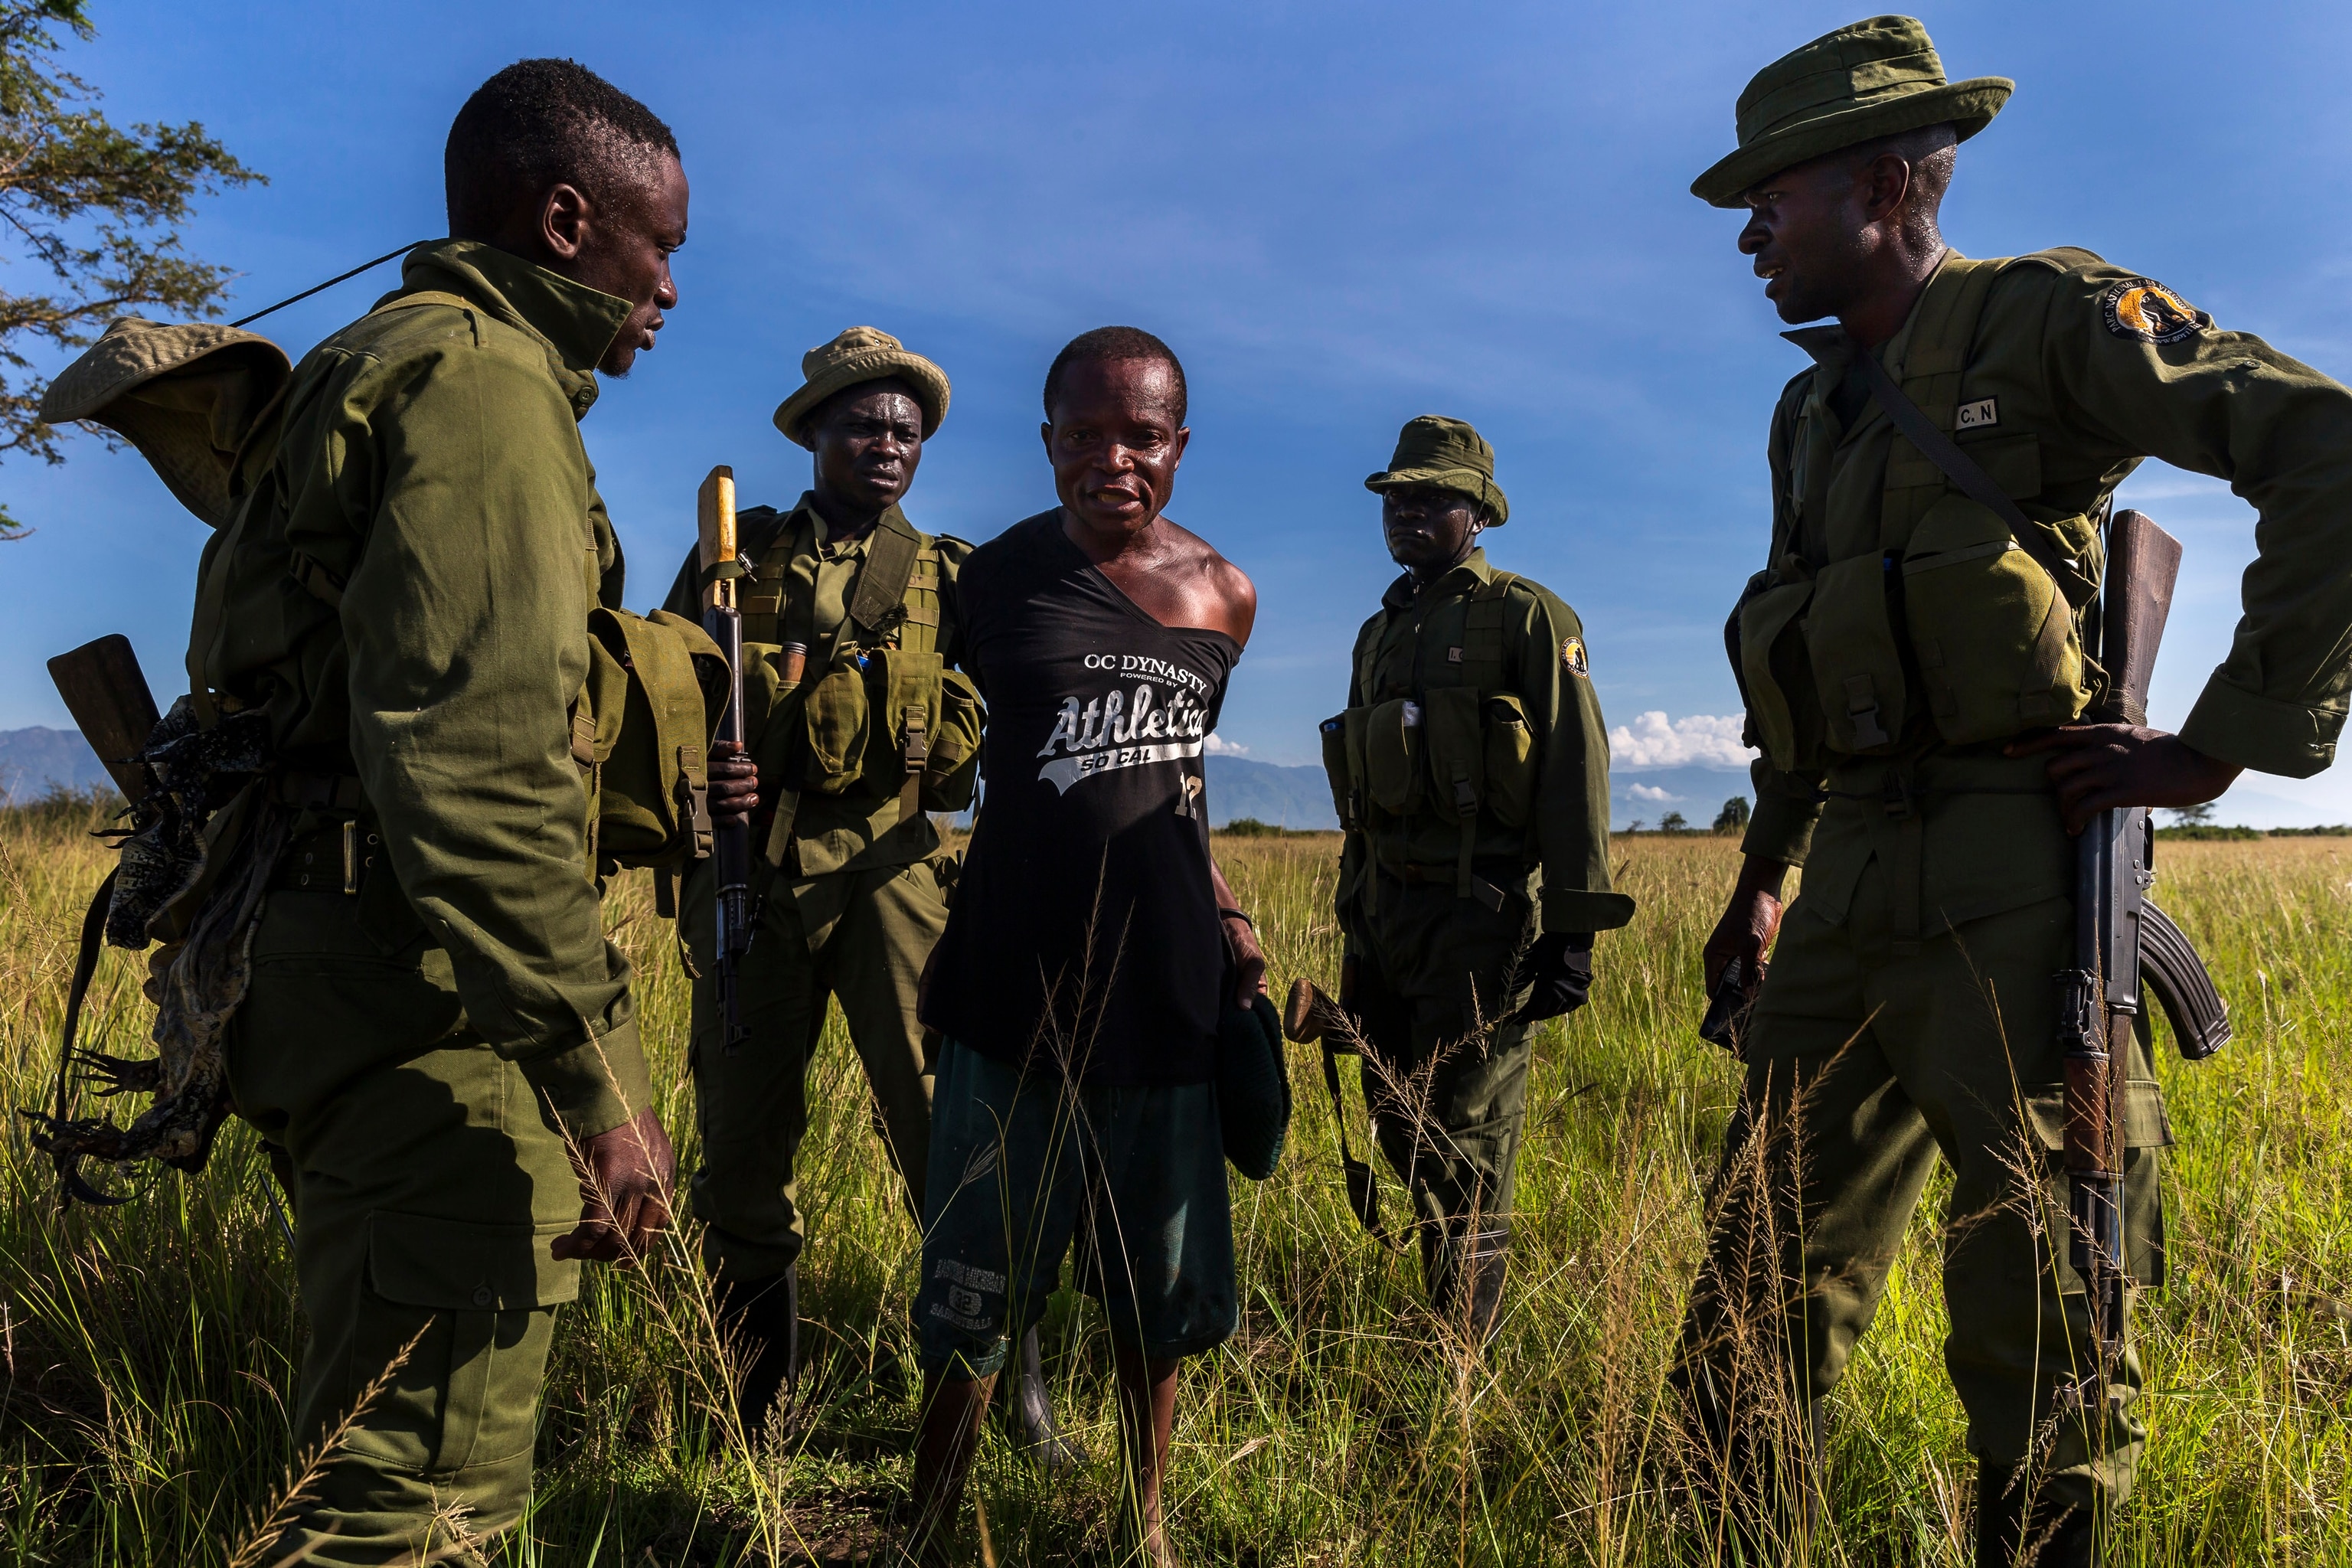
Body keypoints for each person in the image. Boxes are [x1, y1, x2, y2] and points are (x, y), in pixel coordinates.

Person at [1677, 16, 2352, 1563]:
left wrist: (2217, 744)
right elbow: (1815, 658)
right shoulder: (1810, 409)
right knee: (1749, 1303)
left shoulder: (2044, 317)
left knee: (2044, 1317)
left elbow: (2325, 446)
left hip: (2016, 879)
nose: (1751, 229)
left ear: (1885, 182)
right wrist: (1761, 875)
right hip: (1843, 879)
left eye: (1774, 190)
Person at [203, 60, 707, 1565]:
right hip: (428, 1013)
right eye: (657, 242)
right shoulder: (481, 386)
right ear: (565, 220)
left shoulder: (379, 358)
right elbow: (479, 772)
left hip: (336, 980)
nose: (670, 285)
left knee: (379, 1457)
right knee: (411, 1516)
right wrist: (600, 1080)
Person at [655, 328, 1073, 1459]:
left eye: (907, 429)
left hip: (897, 875)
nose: (888, 444)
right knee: (741, 1152)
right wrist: (709, 770)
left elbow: (1021, 719)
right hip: (755, 879)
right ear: (816, 435)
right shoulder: (731, 558)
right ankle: (759, 1416)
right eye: (863, 424)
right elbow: (663, 696)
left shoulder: (951, 574)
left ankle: (1008, 1395)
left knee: (951, 1140)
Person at [903, 326, 1263, 1567]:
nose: (1113, 458)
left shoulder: (1225, 592)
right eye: (1086, 433)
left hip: (1165, 991)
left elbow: (1177, 782)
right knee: (970, 1288)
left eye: (1141, 435)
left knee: (1151, 1295)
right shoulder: (991, 582)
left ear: (1177, 446)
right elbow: (940, 739)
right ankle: (929, 1526)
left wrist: (1223, 914)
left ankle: (1143, 1518)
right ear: (1047, 440)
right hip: (1012, 978)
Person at [1324, 416, 1634, 1338]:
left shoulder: (1530, 617)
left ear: (1478, 513)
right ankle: (1442, 1305)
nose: (1409, 513)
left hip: (1478, 913)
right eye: (1397, 498)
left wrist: (1572, 931)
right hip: (1383, 915)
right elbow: (1361, 800)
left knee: (1471, 1135)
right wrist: (1353, 918)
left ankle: (1464, 1353)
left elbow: (1577, 768)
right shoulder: (1378, 632)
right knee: (1393, 1106)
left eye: (1433, 498)